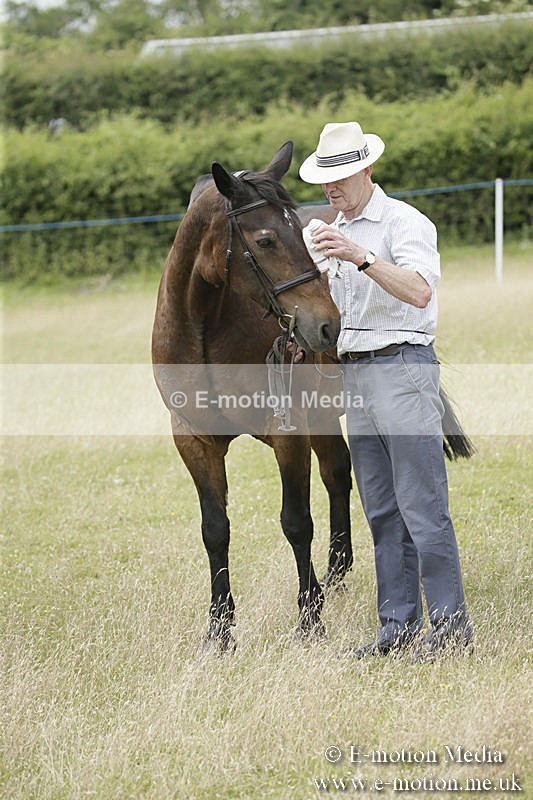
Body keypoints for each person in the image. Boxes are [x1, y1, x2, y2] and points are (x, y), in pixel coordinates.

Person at [299, 121, 473, 659]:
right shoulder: (325, 231)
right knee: (380, 510)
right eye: (325, 179)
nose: (331, 188)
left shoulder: (404, 222)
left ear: (366, 169)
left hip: (404, 367)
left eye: (341, 176)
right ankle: (395, 630)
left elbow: (419, 291)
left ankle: (449, 632)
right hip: (355, 375)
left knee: (423, 505)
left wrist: (359, 256)